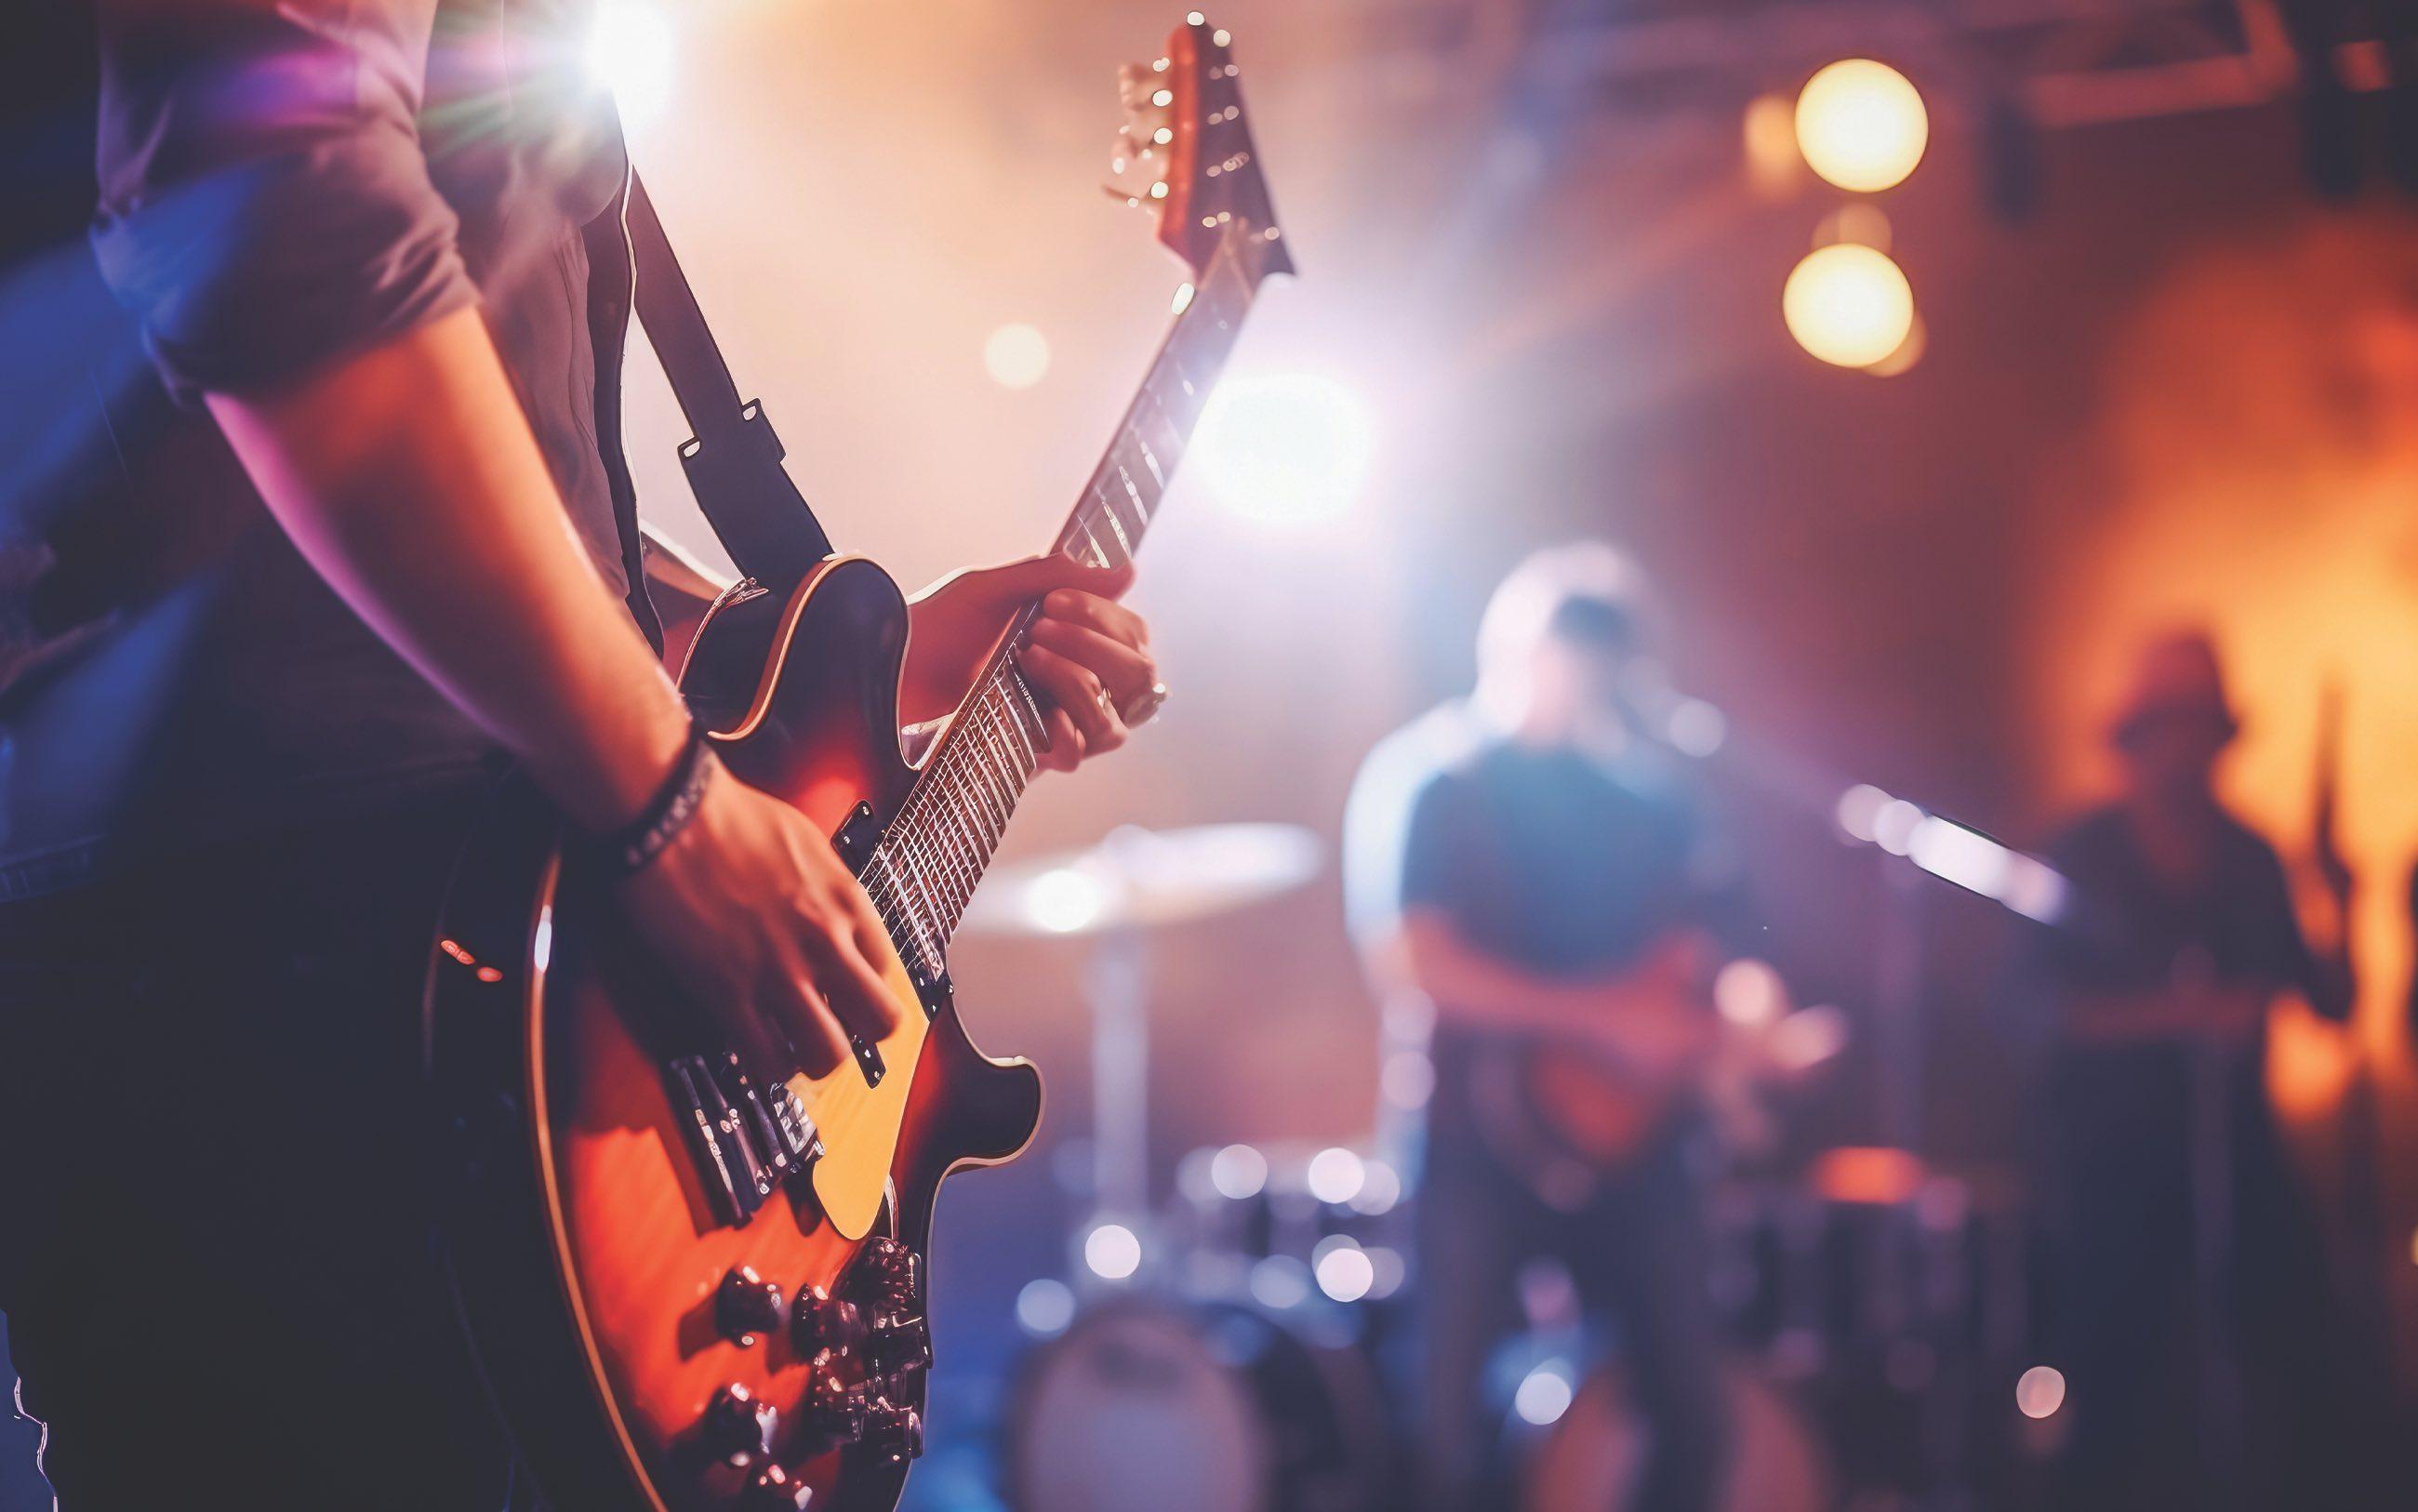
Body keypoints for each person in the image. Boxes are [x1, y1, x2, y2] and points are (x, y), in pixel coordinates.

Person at [0, 4, 1163, 1506]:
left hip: (393, 923)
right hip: (283, 950)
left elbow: (513, 457)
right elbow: (279, 224)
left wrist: (789, 647)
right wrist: (673, 806)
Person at [1345, 543, 1737, 1512]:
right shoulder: (1439, 785)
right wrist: (1601, 1021)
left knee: (1695, 1418)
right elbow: (1418, 967)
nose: (1585, 679)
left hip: (1636, 1152)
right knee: (1443, 1436)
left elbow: (1709, 955)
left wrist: (1739, 1032)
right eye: (1569, 653)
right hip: (1473, 1148)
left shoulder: (1652, 803)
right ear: (1516, 650)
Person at [2016, 630, 2370, 1511]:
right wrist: (2175, 1018)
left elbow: (2332, 1005)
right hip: (2115, 1169)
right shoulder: (2080, 854)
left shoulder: (2253, 860)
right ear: (2135, 737)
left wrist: (2342, 902)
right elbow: (2025, 1011)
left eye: (2200, 725)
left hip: (2242, 1164)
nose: (2186, 748)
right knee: (2111, 1393)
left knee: (2306, 1367)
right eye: (2168, 724)